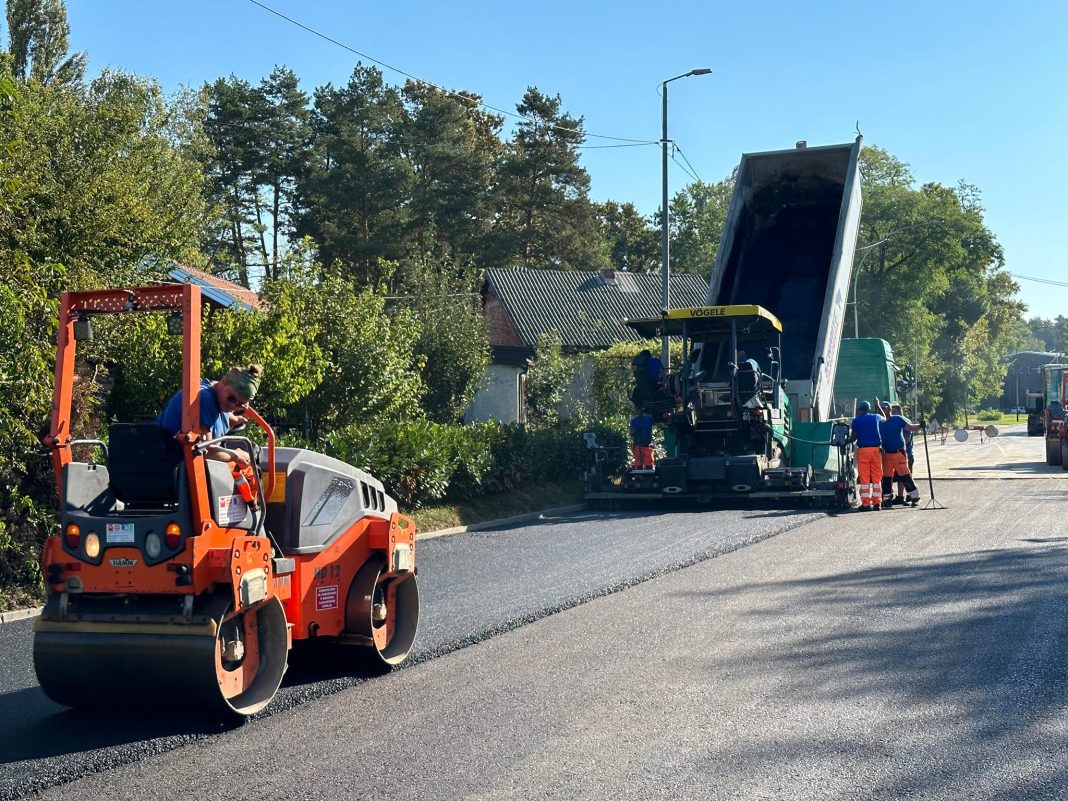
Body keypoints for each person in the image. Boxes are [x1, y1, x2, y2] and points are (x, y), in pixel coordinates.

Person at [158, 364, 262, 464]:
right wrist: (237, 455)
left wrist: (236, 420)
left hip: (177, 463)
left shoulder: (218, 399)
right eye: (232, 399)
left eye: (241, 404)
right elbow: (206, 451)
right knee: (248, 469)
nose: (233, 406)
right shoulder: (204, 397)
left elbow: (222, 415)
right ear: (224, 381)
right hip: (176, 467)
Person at [877, 399, 921, 508]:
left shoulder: (897, 419)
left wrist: (921, 425)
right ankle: (886, 500)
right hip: (886, 454)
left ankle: (914, 497)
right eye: (881, 408)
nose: (883, 410)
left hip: (898, 453)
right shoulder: (878, 421)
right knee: (886, 478)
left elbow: (911, 428)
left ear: (890, 409)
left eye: (885, 408)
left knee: (906, 476)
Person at [849, 400, 884, 510]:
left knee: (864, 479)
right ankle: (877, 503)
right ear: (869, 408)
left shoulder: (856, 420)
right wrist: (878, 405)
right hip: (876, 450)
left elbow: (853, 437)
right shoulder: (876, 417)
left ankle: (866, 504)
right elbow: (885, 418)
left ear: (859, 409)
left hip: (863, 450)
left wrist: (845, 441)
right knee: (877, 478)